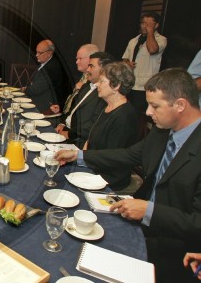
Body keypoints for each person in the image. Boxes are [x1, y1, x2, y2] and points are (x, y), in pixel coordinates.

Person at [56, 68, 201, 282]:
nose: (149, 113)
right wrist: (78, 155)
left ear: (180, 105)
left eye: (155, 106)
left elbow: (197, 221)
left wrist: (149, 210)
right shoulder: (163, 132)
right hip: (137, 222)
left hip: (174, 250)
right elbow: (127, 155)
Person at [82, 61, 139, 190]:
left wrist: (82, 159)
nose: (97, 85)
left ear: (116, 85)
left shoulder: (125, 116)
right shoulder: (108, 106)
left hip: (108, 181)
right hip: (92, 168)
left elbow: (112, 158)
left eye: (102, 81)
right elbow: (91, 139)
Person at [54, 52, 114, 148]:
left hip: (78, 140)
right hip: (66, 129)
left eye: (91, 66)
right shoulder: (86, 85)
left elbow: (92, 125)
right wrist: (62, 123)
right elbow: (71, 110)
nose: (88, 69)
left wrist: (68, 134)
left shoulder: (104, 94)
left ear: (104, 69)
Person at [122, 11, 167, 113]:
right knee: (127, 112)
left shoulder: (161, 40)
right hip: (129, 83)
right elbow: (125, 58)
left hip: (145, 86)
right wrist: (127, 63)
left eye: (148, 24)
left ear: (156, 25)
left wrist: (150, 32)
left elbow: (152, 50)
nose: (144, 26)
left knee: (138, 115)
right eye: (143, 23)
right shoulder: (134, 40)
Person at [51, 44, 100, 115]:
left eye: (80, 58)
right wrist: (61, 107)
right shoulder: (82, 75)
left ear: (91, 59)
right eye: (77, 58)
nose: (76, 62)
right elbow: (73, 98)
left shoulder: (96, 82)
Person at [22, 39, 66, 112]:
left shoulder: (51, 68)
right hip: (39, 100)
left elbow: (35, 90)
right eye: (36, 52)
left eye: (40, 53)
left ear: (49, 53)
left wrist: (24, 89)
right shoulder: (46, 62)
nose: (36, 55)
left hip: (46, 107)